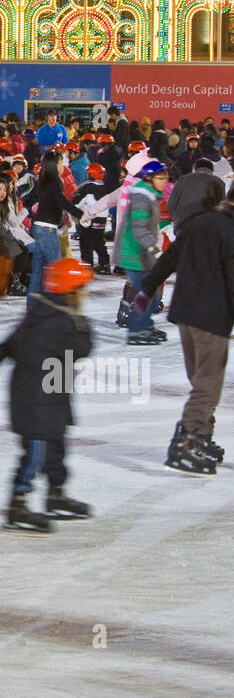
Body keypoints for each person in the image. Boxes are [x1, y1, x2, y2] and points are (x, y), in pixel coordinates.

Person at [0, 257, 94, 532]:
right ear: (70, 291)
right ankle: (17, 503)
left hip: (50, 397)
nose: (86, 295)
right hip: (35, 402)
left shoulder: (42, 314)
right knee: (35, 453)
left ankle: (56, 495)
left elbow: (8, 345)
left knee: (55, 448)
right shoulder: (62, 321)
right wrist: (82, 324)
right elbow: (83, 348)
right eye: (83, 289)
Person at [130, 176, 233, 475]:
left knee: (201, 380)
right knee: (207, 384)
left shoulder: (198, 225)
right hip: (211, 318)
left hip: (185, 314)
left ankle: (200, 436)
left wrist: (146, 289)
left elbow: (168, 259)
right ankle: (187, 441)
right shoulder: (229, 230)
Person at [112, 159, 168, 345]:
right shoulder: (142, 198)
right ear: (149, 178)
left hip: (140, 253)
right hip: (133, 254)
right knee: (147, 293)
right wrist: (155, 250)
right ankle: (137, 330)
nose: (164, 181)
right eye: (161, 178)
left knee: (152, 293)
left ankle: (144, 325)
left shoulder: (150, 194)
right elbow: (139, 228)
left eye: (165, 177)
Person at [26, 152, 84, 297]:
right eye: (60, 162)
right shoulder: (53, 182)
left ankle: (33, 309)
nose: (62, 165)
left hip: (39, 227)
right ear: (53, 165)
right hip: (47, 229)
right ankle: (55, 306)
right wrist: (81, 214)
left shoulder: (45, 181)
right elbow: (62, 202)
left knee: (38, 271)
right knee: (57, 268)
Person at [74, 162, 111, 272]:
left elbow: (77, 202)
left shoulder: (87, 187)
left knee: (85, 242)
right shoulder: (106, 187)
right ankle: (105, 264)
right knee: (98, 241)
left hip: (88, 218)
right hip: (102, 217)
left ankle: (87, 264)